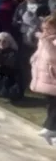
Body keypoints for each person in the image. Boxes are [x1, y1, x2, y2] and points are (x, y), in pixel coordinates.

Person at [31, 15, 56, 145]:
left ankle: (51, 127)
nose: (45, 31)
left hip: (54, 75)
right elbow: (40, 53)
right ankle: (50, 127)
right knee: (50, 102)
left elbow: (53, 56)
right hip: (46, 75)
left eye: (48, 28)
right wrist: (34, 58)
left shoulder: (52, 40)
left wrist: (47, 42)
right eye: (44, 28)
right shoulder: (44, 39)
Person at [0, 32, 22, 101]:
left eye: (4, 41)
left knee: (4, 93)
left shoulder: (13, 52)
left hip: (10, 78)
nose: (1, 43)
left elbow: (10, 66)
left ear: (9, 42)